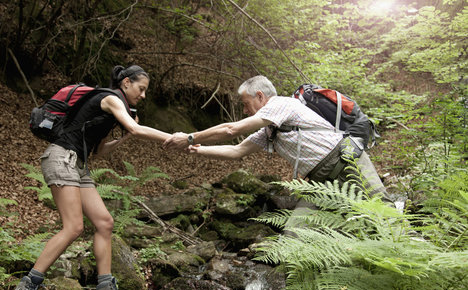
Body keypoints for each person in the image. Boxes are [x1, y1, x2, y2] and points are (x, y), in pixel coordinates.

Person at [11, 65, 173, 290]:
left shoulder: (110, 109)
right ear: (127, 83)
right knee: (73, 227)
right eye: (141, 89)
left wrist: (125, 138)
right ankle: (27, 286)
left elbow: (100, 151)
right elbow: (136, 129)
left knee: (104, 222)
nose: (143, 96)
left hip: (78, 164)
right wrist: (176, 137)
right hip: (62, 158)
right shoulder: (110, 98)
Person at [163, 75, 391, 228]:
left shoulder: (282, 105)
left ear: (260, 96)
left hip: (348, 162)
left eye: (245, 103)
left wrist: (190, 137)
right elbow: (236, 151)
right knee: (294, 234)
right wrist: (196, 150)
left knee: (388, 217)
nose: (244, 110)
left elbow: (232, 130)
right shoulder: (270, 128)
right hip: (322, 183)